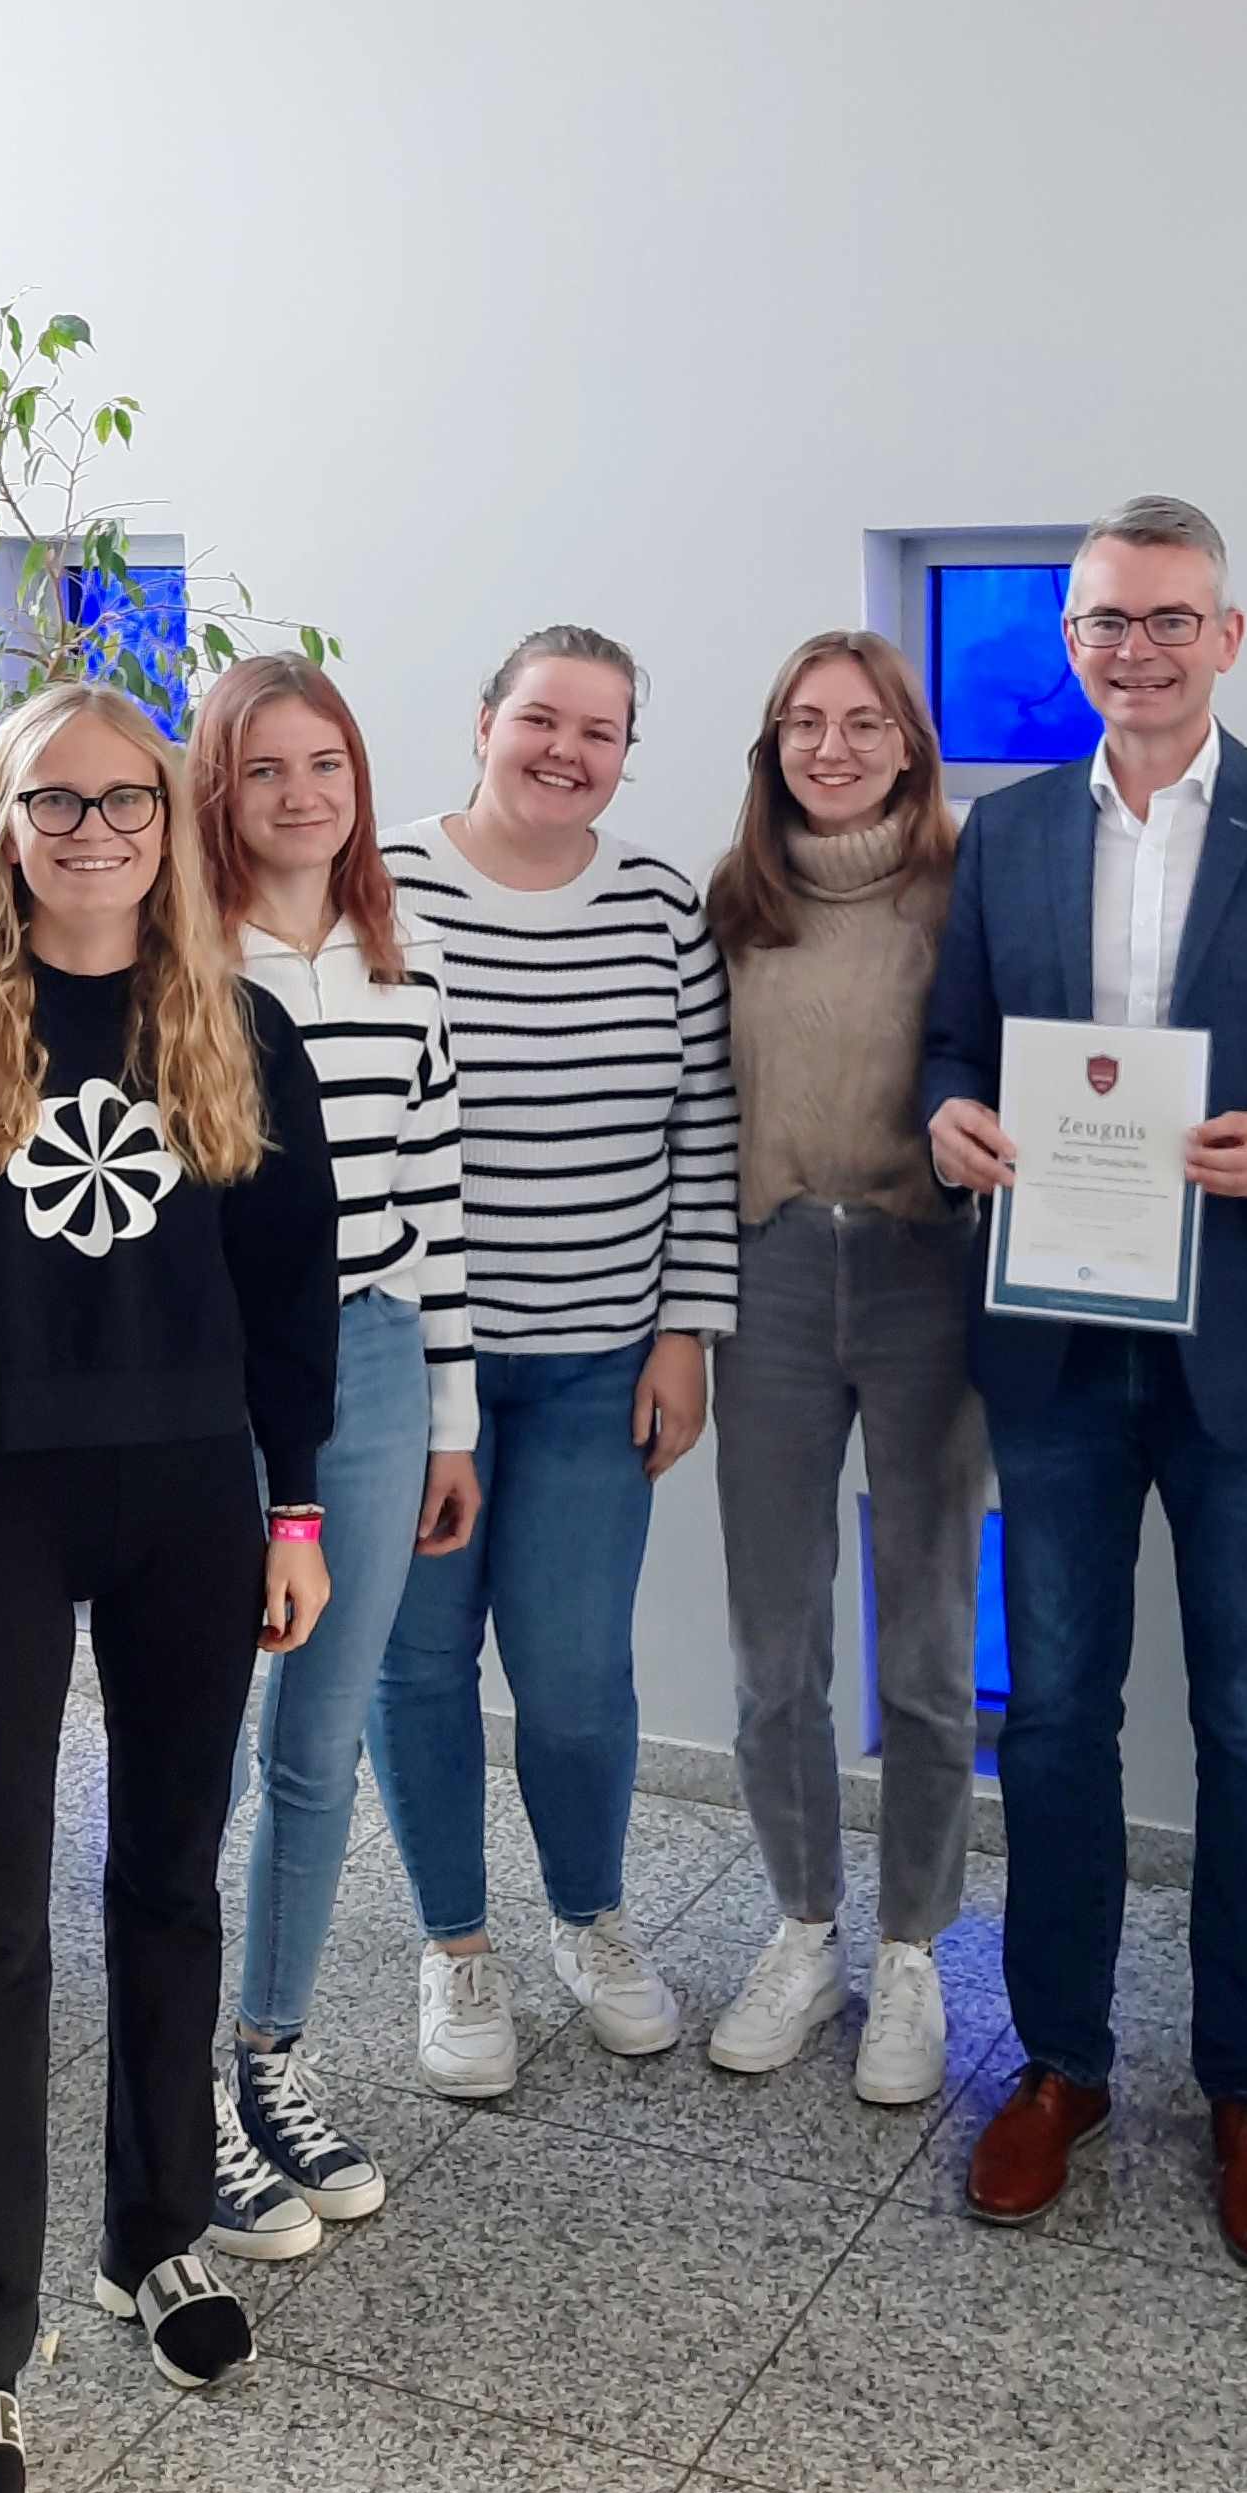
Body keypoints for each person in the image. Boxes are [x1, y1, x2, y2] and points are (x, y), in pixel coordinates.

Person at [0, 684, 338, 2493]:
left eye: (122, 799)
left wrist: (294, 1506)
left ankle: (158, 2237)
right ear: (4, 823)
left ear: (167, 816)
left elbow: (299, 1302)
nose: (91, 832)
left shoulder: (237, 1025)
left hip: (192, 1503)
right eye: (50, 804)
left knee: (169, 1879)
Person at [923, 496, 1247, 2265]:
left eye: (1166, 620)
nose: (1131, 652)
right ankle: (1059, 2061)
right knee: (1052, 1720)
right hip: (1058, 1342)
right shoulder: (1003, 840)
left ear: (1227, 633)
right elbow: (951, 1042)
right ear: (1073, 643)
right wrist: (948, 1117)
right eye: (1102, 624)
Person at [371, 624, 739, 2094]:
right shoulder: (380, 887)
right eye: (543, 719)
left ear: (626, 755)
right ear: (482, 722)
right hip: (411, 1369)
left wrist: (685, 1331)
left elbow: (701, 1131)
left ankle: (592, 1918)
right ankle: (458, 1951)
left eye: (601, 732)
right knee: (420, 1663)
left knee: (578, 1674)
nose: (567, 752)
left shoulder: (659, 903)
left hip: (600, 1365)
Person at [189, 655, 481, 2243]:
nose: (303, 796)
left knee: (322, 1735)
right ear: (215, 792)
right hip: (216, 1382)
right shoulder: (182, 961)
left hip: (371, 1367)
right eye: (265, 770)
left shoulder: (396, 956)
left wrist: (452, 1420)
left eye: (329, 765)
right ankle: (176, 2094)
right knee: (207, 1738)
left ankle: (268, 2058)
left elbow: (436, 1206)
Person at [702, 629, 985, 2106]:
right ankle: (805, 1927)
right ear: (773, 744)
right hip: (769, 1274)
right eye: (803, 722)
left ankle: (918, 1946)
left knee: (928, 1642)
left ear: (906, 740)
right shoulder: (734, 901)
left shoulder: (966, 888)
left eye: (860, 720)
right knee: (774, 1648)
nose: (831, 746)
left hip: (925, 1268)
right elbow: (695, 1112)